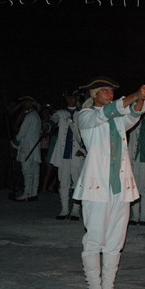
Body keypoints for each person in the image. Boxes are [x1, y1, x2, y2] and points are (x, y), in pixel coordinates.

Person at [73, 76, 145, 289]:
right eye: (105, 91)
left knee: (115, 240)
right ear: (94, 95)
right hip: (96, 188)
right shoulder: (86, 116)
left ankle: (109, 287)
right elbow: (105, 113)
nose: (110, 93)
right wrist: (135, 96)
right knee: (95, 239)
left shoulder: (117, 117)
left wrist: (141, 99)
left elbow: (134, 116)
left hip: (120, 189)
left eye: (111, 90)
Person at [44, 90, 86, 220]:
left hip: (77, 154)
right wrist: (47, 125)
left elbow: (88, 134)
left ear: (77, 98)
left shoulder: (83, 114)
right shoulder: (61, 113)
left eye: (73, 98)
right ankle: (64, 209)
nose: (70, 100)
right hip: (63, 154)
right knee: (63, 182)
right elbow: (53, 119)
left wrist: (84, 150)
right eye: (68, 98)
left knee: (78, 182)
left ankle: (75, 210)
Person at [11, 96, 42, 201]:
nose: (24, 104)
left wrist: (13, 143)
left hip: (27, 146)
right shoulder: (36, 115)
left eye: (26, 102)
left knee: (27, 170)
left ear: (31, 103)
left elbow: (22, 133)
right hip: (34, 147)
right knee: (35, 170)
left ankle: (27, 193)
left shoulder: (30, 116)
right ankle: (34, 193)